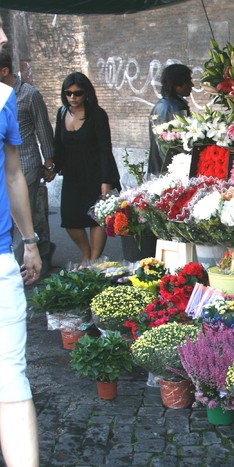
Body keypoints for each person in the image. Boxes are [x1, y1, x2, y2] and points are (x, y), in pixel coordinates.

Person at [0, 20, 41, 467]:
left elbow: (13, 174)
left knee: (9, 380)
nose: (5, 38)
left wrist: (29, 241)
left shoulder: (4, 99)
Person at [53, 72, 121, 263]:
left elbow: (104, 148)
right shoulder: (62, 113)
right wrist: (52, 166)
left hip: (96, 173)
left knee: (97, 218)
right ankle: (85, 252)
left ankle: (93, 259)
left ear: (86, 93)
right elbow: (58, 144)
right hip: (72, 175)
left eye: (78, 93)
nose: (73, 97)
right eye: (68, 93)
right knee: (70, 218)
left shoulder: (97, 114)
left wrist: (106, 180)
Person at [0, 48, 56, 278]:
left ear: (4, 71)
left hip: (26, 164)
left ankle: (34, 265)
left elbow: (43, 128)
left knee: (30, 217)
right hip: (7, 165)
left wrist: (50, 162)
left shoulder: (29, 94)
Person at [148, 63, 193, 174]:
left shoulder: (158, 106)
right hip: (172, 169)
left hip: (157, 167)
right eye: (188, 81)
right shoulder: (178, 108)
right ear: (177, 85)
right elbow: (183, 143)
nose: (192, 85)